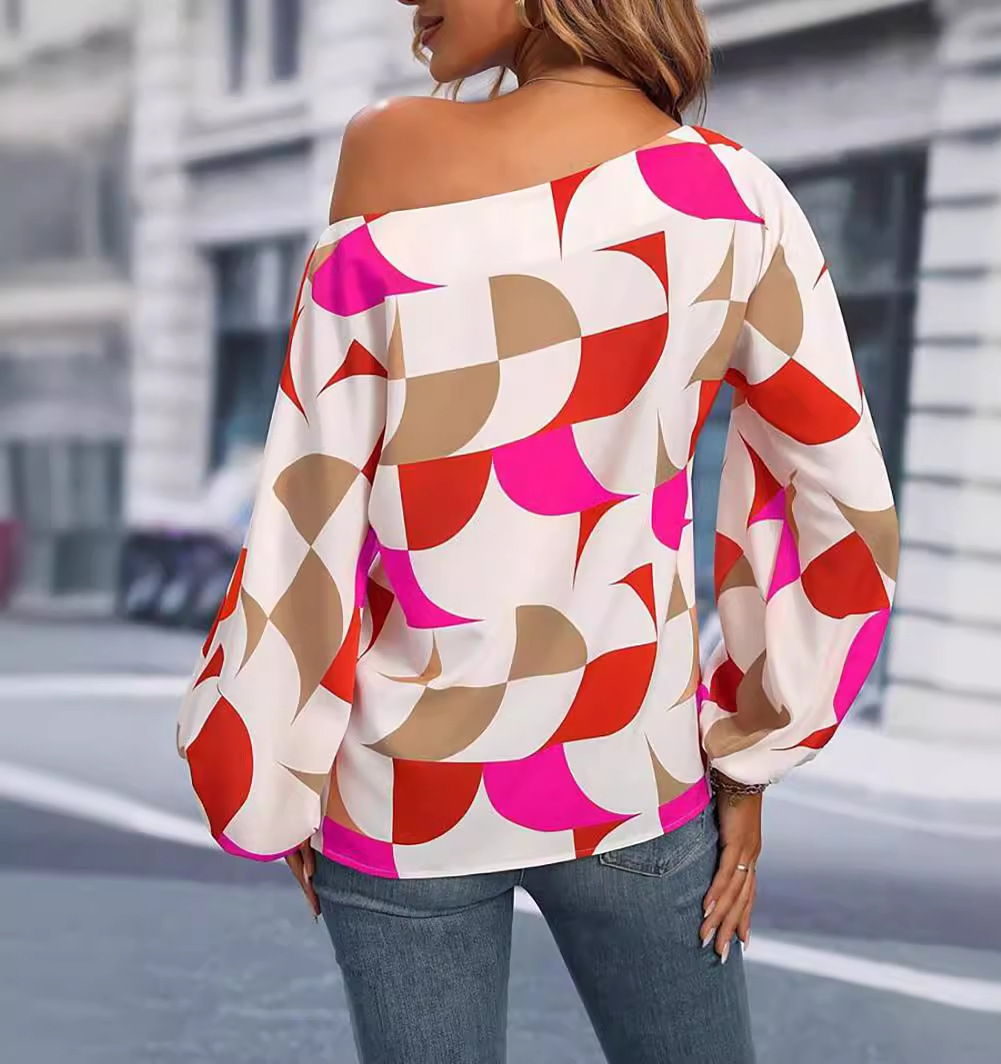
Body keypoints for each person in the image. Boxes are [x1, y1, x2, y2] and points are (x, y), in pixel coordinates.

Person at [175, 1, 900, 1061]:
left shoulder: (388, 151)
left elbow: (313, 500)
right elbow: (837, 498)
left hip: (402, 786)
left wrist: (275, 757)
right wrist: (751, 750)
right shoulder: (736, 197)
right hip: (631, 765)